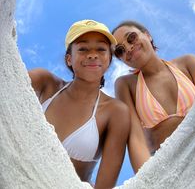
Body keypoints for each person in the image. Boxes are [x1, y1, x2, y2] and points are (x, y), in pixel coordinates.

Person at [29, 19, 130, 189]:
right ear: (69, 59)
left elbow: (104, 186)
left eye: (101, 49)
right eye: (83, 49)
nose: (92, 54)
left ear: (109, 59)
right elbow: (8, 80)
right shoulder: (45, 82)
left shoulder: (116, 112)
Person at [112, 20, 195, 173]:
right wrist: (149, 181)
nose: (128, 48)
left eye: (131, 38)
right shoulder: (125, 85)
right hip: (169, 167)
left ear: (147, 35)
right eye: (120, 51)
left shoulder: (188, 62)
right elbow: (135, 139)